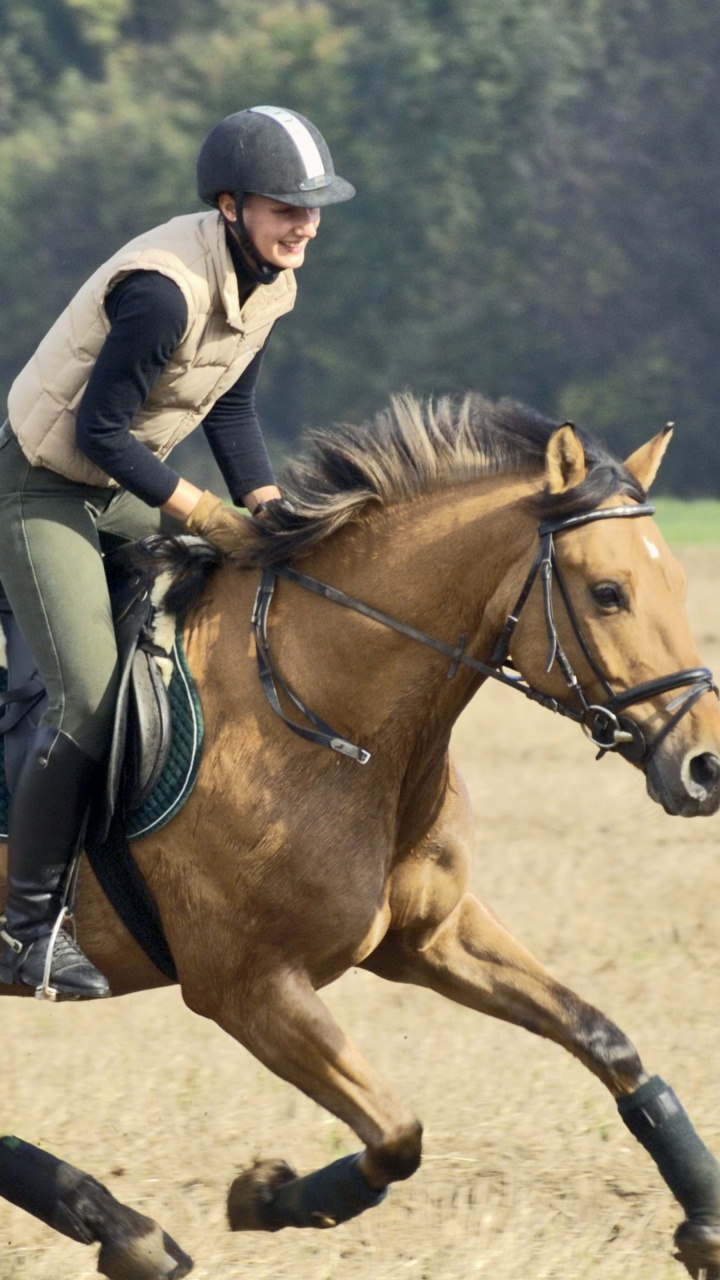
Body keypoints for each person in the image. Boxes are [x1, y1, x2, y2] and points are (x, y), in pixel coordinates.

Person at [0, 105, 355, 999]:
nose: (305, 223)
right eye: (286, 207)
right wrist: (203, 511)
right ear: (231, 205)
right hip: (37, 488)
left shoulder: (272, 281)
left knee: (231, 600)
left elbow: (228, 407)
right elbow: (100, 429)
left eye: (314, 207)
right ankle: (26, 928)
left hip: (112, 486)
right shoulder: (164, 290)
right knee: (86, 701)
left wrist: (267, 510)